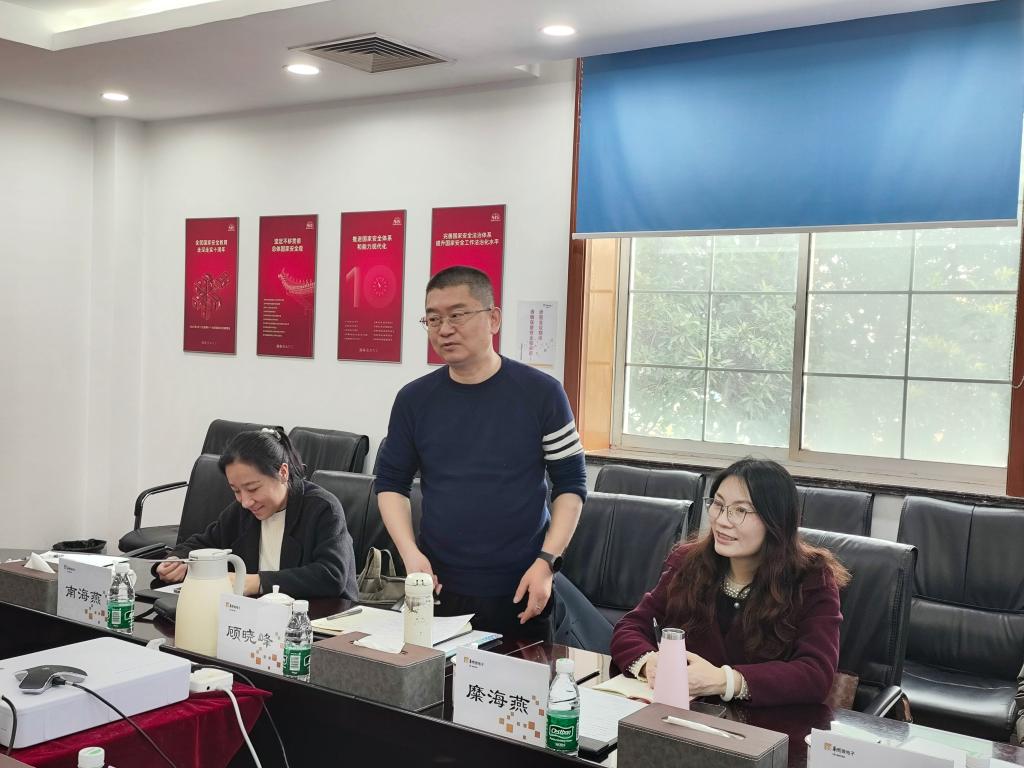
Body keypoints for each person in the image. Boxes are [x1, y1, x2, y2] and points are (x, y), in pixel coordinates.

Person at [374, 266, 587, 641]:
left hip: (522, 585)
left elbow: (571, 485)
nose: (444, 329)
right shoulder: (414, 400)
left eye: (457, 315)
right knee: (437, 678)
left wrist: (547, 562)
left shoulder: (542, 394)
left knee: (521, 678)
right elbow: (391, 483)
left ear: (493, 319)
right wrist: (410, 554)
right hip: (440, 586)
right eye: (433, 319)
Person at [610, 457, 849, 707]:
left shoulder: (811, 579)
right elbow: (630, 627)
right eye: (718, 504)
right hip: (683, 716)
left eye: (741, 510)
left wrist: (725, 681)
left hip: (764, 725)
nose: (722, 520)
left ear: (775, 520)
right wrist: (649, 662)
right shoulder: (688, 562)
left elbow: (815, 674)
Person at [156, 428, 358, 600]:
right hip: (257, 618)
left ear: (283, 473)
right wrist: (178, 560)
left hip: (319, 620)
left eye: (252, 488)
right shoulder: (242, 512)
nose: (245, 502)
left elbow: (331, 576)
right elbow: (203, 543)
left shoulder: (322, 509)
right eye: (236, 491)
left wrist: (256, 582)